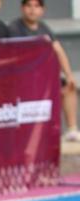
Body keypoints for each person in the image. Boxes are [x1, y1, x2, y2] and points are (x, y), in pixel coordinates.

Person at [8, 0, 80, 141]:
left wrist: (69, 75)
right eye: (29, 6)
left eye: (36, 6)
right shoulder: (14, 28)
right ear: (22, 8)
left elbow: (58, 50)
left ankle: (72, 130)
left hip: (44, 77)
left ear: (42, 10)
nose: (32, 10)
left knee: (69, 86)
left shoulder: (44, 28)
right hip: (24, 78)